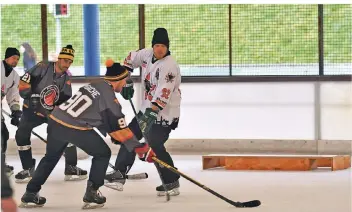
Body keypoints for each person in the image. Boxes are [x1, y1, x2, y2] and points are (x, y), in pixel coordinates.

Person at [19, 60, 156, 209]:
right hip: (73, 127)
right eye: (125, 81)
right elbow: (119, 129)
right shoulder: (110, 99)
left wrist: (115, 135)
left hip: (55, 120)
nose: (126, 85)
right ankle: (92, 192)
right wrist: (140, 148)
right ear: (118, 80)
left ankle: (30, 193)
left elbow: (101, 118)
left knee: (50, 158)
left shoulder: (95, 84)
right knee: (103, 153)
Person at [105, 28, 182, 196]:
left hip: (164, 114)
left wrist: (151, 115)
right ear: (153, 46)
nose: (160, 49)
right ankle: (119, 174)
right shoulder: (146, 54)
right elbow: (128, 62)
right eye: (157, 45)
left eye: (163, 46)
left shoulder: (169, 66)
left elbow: (164, 95)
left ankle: (171, 181)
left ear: (167, 47)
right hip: (145, 108)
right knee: (129, 137)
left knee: (155, 145)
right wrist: (126, 81)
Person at [14, 45, 87, 183]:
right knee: (21, 134)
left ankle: (71, 166)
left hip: (49, 113)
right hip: (31, 110)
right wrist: (29, 95)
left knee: (68, 131)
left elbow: (65, 102)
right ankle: (28, 168)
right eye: (65, 60)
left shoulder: (66, 79)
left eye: (70, 62)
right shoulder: (43, 66)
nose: (67, 64)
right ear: (59, 59)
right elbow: (24, 80)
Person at [1, 47, 22, 177]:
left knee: (4, 134)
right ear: (7, 57)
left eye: (18, 59)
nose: (16, 61)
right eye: (14, 58)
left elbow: (13, 95)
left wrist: (15, 112)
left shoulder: (15, 76)